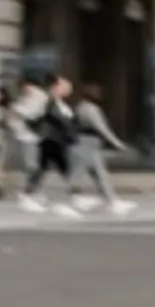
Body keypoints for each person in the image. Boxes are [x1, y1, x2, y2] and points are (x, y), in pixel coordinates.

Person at [70, 82, 135, 216]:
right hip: (88, 144)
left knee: (99, 174)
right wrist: (117, 143)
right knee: (83, 173)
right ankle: (74, 200)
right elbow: (102, 128)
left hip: (84, 143)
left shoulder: (80, 107)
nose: (100, 95)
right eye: (97, 93)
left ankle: (111, 201)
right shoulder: (91, 109)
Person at [20, 75, 79, 216]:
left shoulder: (56, 102)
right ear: (56, 87)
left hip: (54, 139)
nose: (68, 90)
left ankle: (30, 194)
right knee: (61, 168)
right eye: (65, 87)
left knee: (46, 168)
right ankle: (70, 197)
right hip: (51, 139)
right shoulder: (49, 101)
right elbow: (50, 118)